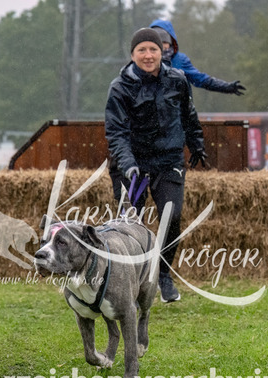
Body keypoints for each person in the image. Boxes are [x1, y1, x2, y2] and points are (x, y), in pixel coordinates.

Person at [105, 28, 208, 303]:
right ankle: (133, 280)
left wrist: (196, 143)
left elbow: (188, 115)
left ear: (162, 52)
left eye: (153, 49)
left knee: (171, 217)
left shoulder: (178, 80)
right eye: (142, 50)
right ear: (133, 55)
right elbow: (116, 133)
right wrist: (128, 165)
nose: (148, 55)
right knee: (130, 224)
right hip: (131, 164)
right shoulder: (119, 87)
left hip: (168, 160)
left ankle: (163, 274)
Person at [150, 19, 246, 96]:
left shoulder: (180, 60)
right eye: (157, 42)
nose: (161, 46)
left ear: (171, 42)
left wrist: (226, 87)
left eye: (164, 42)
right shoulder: (145, 61)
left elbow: (201, 79)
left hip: (177, 111)